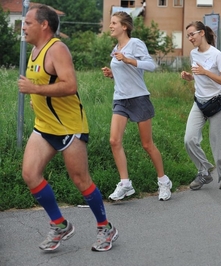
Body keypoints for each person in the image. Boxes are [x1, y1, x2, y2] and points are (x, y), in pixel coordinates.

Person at [17, 4, 118, 252]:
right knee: (30, 175)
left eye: (28, 22)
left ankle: (106, 227)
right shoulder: (34, 51)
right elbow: (45, 81)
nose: (23, 26)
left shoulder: (57, 49)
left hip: (69, 126)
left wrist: (36, 90)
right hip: (44, 126)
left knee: (81, 180)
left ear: (44, 25)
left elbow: (70, 85)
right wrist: (36, 99)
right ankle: (59, 224)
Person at [101, 11, 172, 201]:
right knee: (114, 141)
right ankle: (125, 184)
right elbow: (125, 74)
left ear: (124, 26)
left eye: (114, 23)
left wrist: (128, 59)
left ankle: (164, 182)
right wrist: (112, 74)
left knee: (147, 144)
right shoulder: (116, 48)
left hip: (139, 98)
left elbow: (150, 66)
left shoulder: (135, 44)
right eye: (111, 23)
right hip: (120, 99)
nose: (110, 26)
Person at [180, 21, 221, 190]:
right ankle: (204, 171)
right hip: (199, 102)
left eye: (192, 34)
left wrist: (206, 72)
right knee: (189, 139)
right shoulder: (193, 54)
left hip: (217, 102)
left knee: (217, 146)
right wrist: (190, 76)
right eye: (188, 35)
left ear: (202, 33)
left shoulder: (216, 54)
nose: (190, 38)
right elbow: (199, 77)